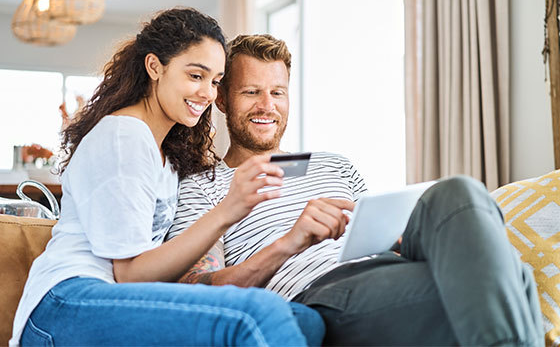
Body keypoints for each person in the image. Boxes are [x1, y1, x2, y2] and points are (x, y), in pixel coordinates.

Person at [167, 33, 545, 346]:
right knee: (515, 281)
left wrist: (396, 236)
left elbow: (380, 232)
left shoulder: (334, 163)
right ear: (222, 98)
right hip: (322, 291)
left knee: (458, 193)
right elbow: (203, 293)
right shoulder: (203, 189)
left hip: (389, 265)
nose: (267, 106)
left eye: (277, 93)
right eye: (251, 92)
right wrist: (291, 241)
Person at [10, 10, 325, 346]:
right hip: (66, 304)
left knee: (305, 319)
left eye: (215, 81)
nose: (207, 93)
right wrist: (229, 209)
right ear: (155, 67)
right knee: (254, 314)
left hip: (113, 301)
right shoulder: (124, 137)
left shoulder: (168, 153)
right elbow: (130, 275)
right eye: (195, 76)